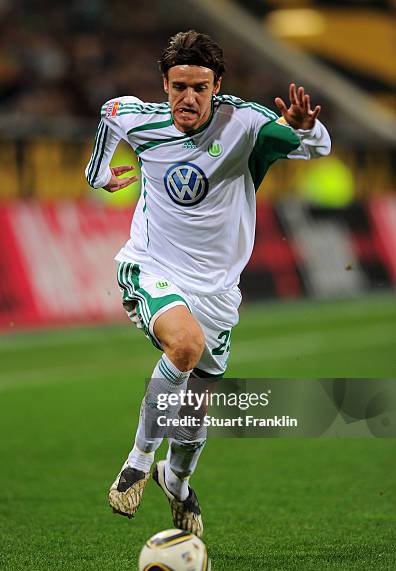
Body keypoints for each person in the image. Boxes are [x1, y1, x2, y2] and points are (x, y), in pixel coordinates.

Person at [85, 30, 331, 537]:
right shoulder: (143, 120)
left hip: (218, 291)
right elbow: (111, 113)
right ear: (165, 84)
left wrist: (306, 128)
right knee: (185, 344)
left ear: (217, 85)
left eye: (199, 87)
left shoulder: (244, 123)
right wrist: (100, 175)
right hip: (150, 266)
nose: (188, 99)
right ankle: (136, 462)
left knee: (196, 404)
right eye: (178, 87)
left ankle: (176, 482)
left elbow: (313, 143)